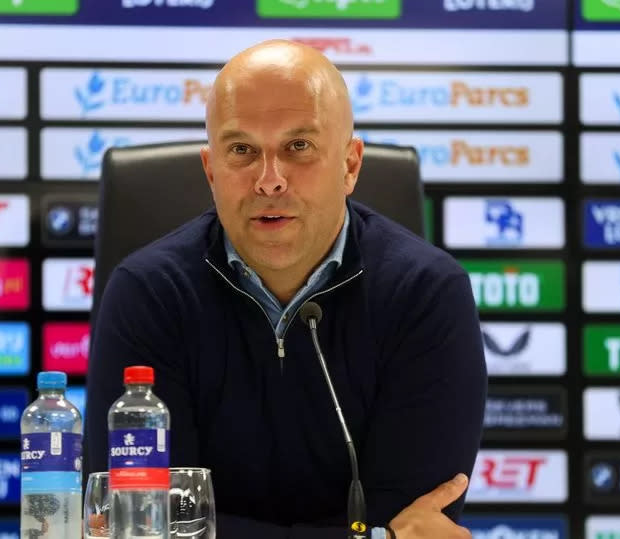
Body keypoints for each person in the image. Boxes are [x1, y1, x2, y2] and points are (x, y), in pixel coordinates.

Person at [87, 39, 487, 539]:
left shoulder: (427, 293)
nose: (269, 180)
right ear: (211, 171)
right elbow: (136, 522)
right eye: (242, 150)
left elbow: (419, 519)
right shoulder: (147, 293)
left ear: (350, 165)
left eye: (298, 147)